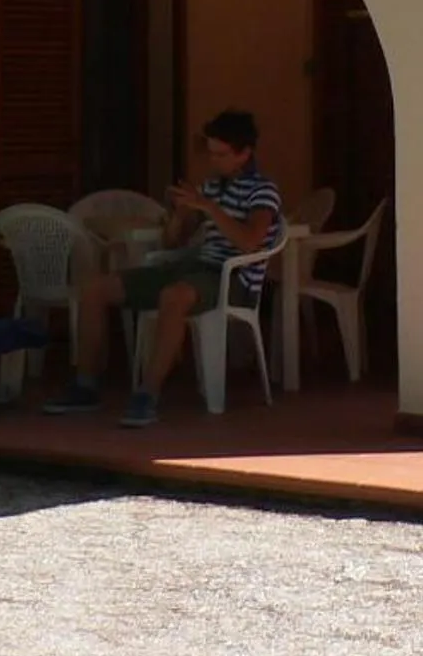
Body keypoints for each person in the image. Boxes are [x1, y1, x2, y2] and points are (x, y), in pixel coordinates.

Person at [44, 108, 283, 427]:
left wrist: (209, 208)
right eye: (210, 153)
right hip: (194, 265)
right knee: (94, 290)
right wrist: (181, 215)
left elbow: (251, 243)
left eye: (221, 154)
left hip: (230, 276)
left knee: (175, 296)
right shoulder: (212, 187)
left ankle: (148, 394)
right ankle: (85, 385)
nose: (214, 161)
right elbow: (173, 244)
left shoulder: (262, 191)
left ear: (244, 154)